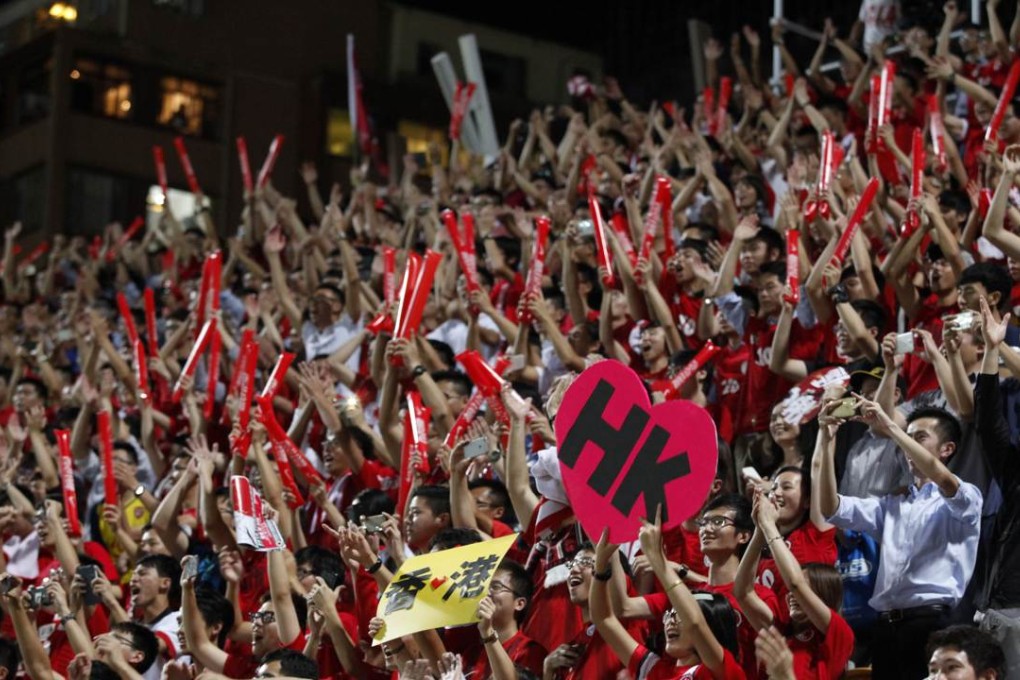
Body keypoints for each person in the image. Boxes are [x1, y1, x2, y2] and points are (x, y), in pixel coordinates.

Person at [817, 395, 983, 679]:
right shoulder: (891, 504)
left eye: (919, 437)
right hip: (886, 627)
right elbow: (830, 507)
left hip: (933, 623)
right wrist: (825, 437)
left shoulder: (966, 496)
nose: (906, 445)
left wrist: (891, 427)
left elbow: (944, 480)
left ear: (947, 449)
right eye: (907, 437)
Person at [591, 517, 745, 679]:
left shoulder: (723, 671)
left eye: (679, 615)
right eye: (669, 614)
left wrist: (657, 559)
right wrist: (601, 566)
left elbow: (694, 623)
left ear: (711, 627)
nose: (670, 621)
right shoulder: (654, 669)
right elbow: (604, 619)